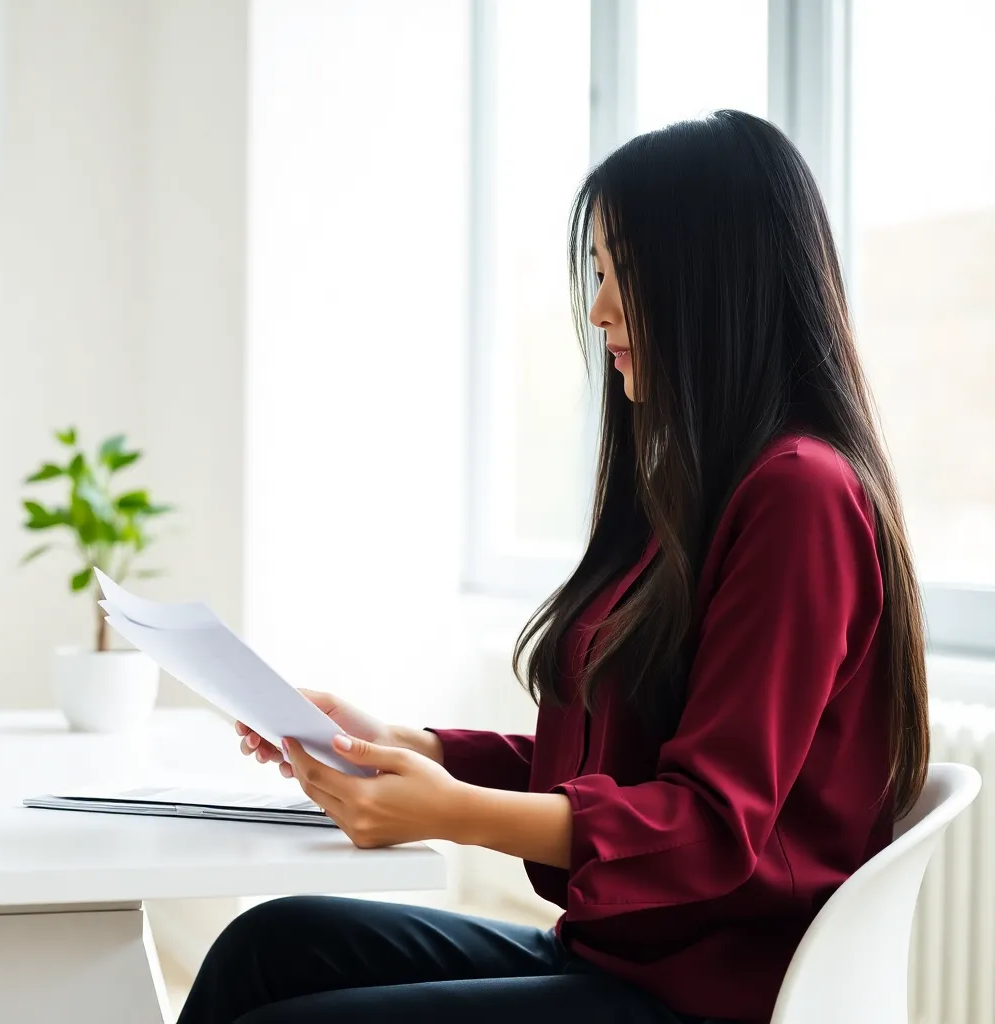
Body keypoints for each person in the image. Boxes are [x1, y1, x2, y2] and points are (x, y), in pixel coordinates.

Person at [177, 110, 929, 1024]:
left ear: (714, 281)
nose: (600, 309)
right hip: (622, 963)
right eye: (600, 275)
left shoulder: (800, 495)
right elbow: (627, 762)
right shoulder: (698, 495)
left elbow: (707, 824)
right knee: (271, 947)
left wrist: (451, 812)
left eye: (626, 274)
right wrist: (411, 750)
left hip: (707, 997)